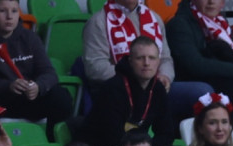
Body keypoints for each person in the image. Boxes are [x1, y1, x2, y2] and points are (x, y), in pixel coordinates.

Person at [82, 0, 211, 122]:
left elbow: (165, 58)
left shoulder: (154, 18)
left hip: (155, 87)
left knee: (202, 93)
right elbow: (95, 67)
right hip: (120, 90)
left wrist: (165, 77)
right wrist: (137, 79)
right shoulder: (98, 22)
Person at [78, 36, 181, 146]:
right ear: (130, 60)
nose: (147, 63)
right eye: (140, 58)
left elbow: (167, 133)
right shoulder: (113, 88)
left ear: (158, 62)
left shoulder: (157, 89)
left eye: (152, 58)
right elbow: (112, 137)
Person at [0, 0, 73, 139]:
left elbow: (49, 73)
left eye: (14, 11)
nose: (9, 16)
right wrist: (7, 86)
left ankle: (52, 143)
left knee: (61, 96)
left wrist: (38, 87)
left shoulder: (30, 37)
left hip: (28, 98)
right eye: (2, 11)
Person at [166, 0, 233, 123]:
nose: (211, 2)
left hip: (218, 76)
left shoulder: (221, 23)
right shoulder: (179, 24)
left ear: (222, 3)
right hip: (192, 78)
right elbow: (194, 65)